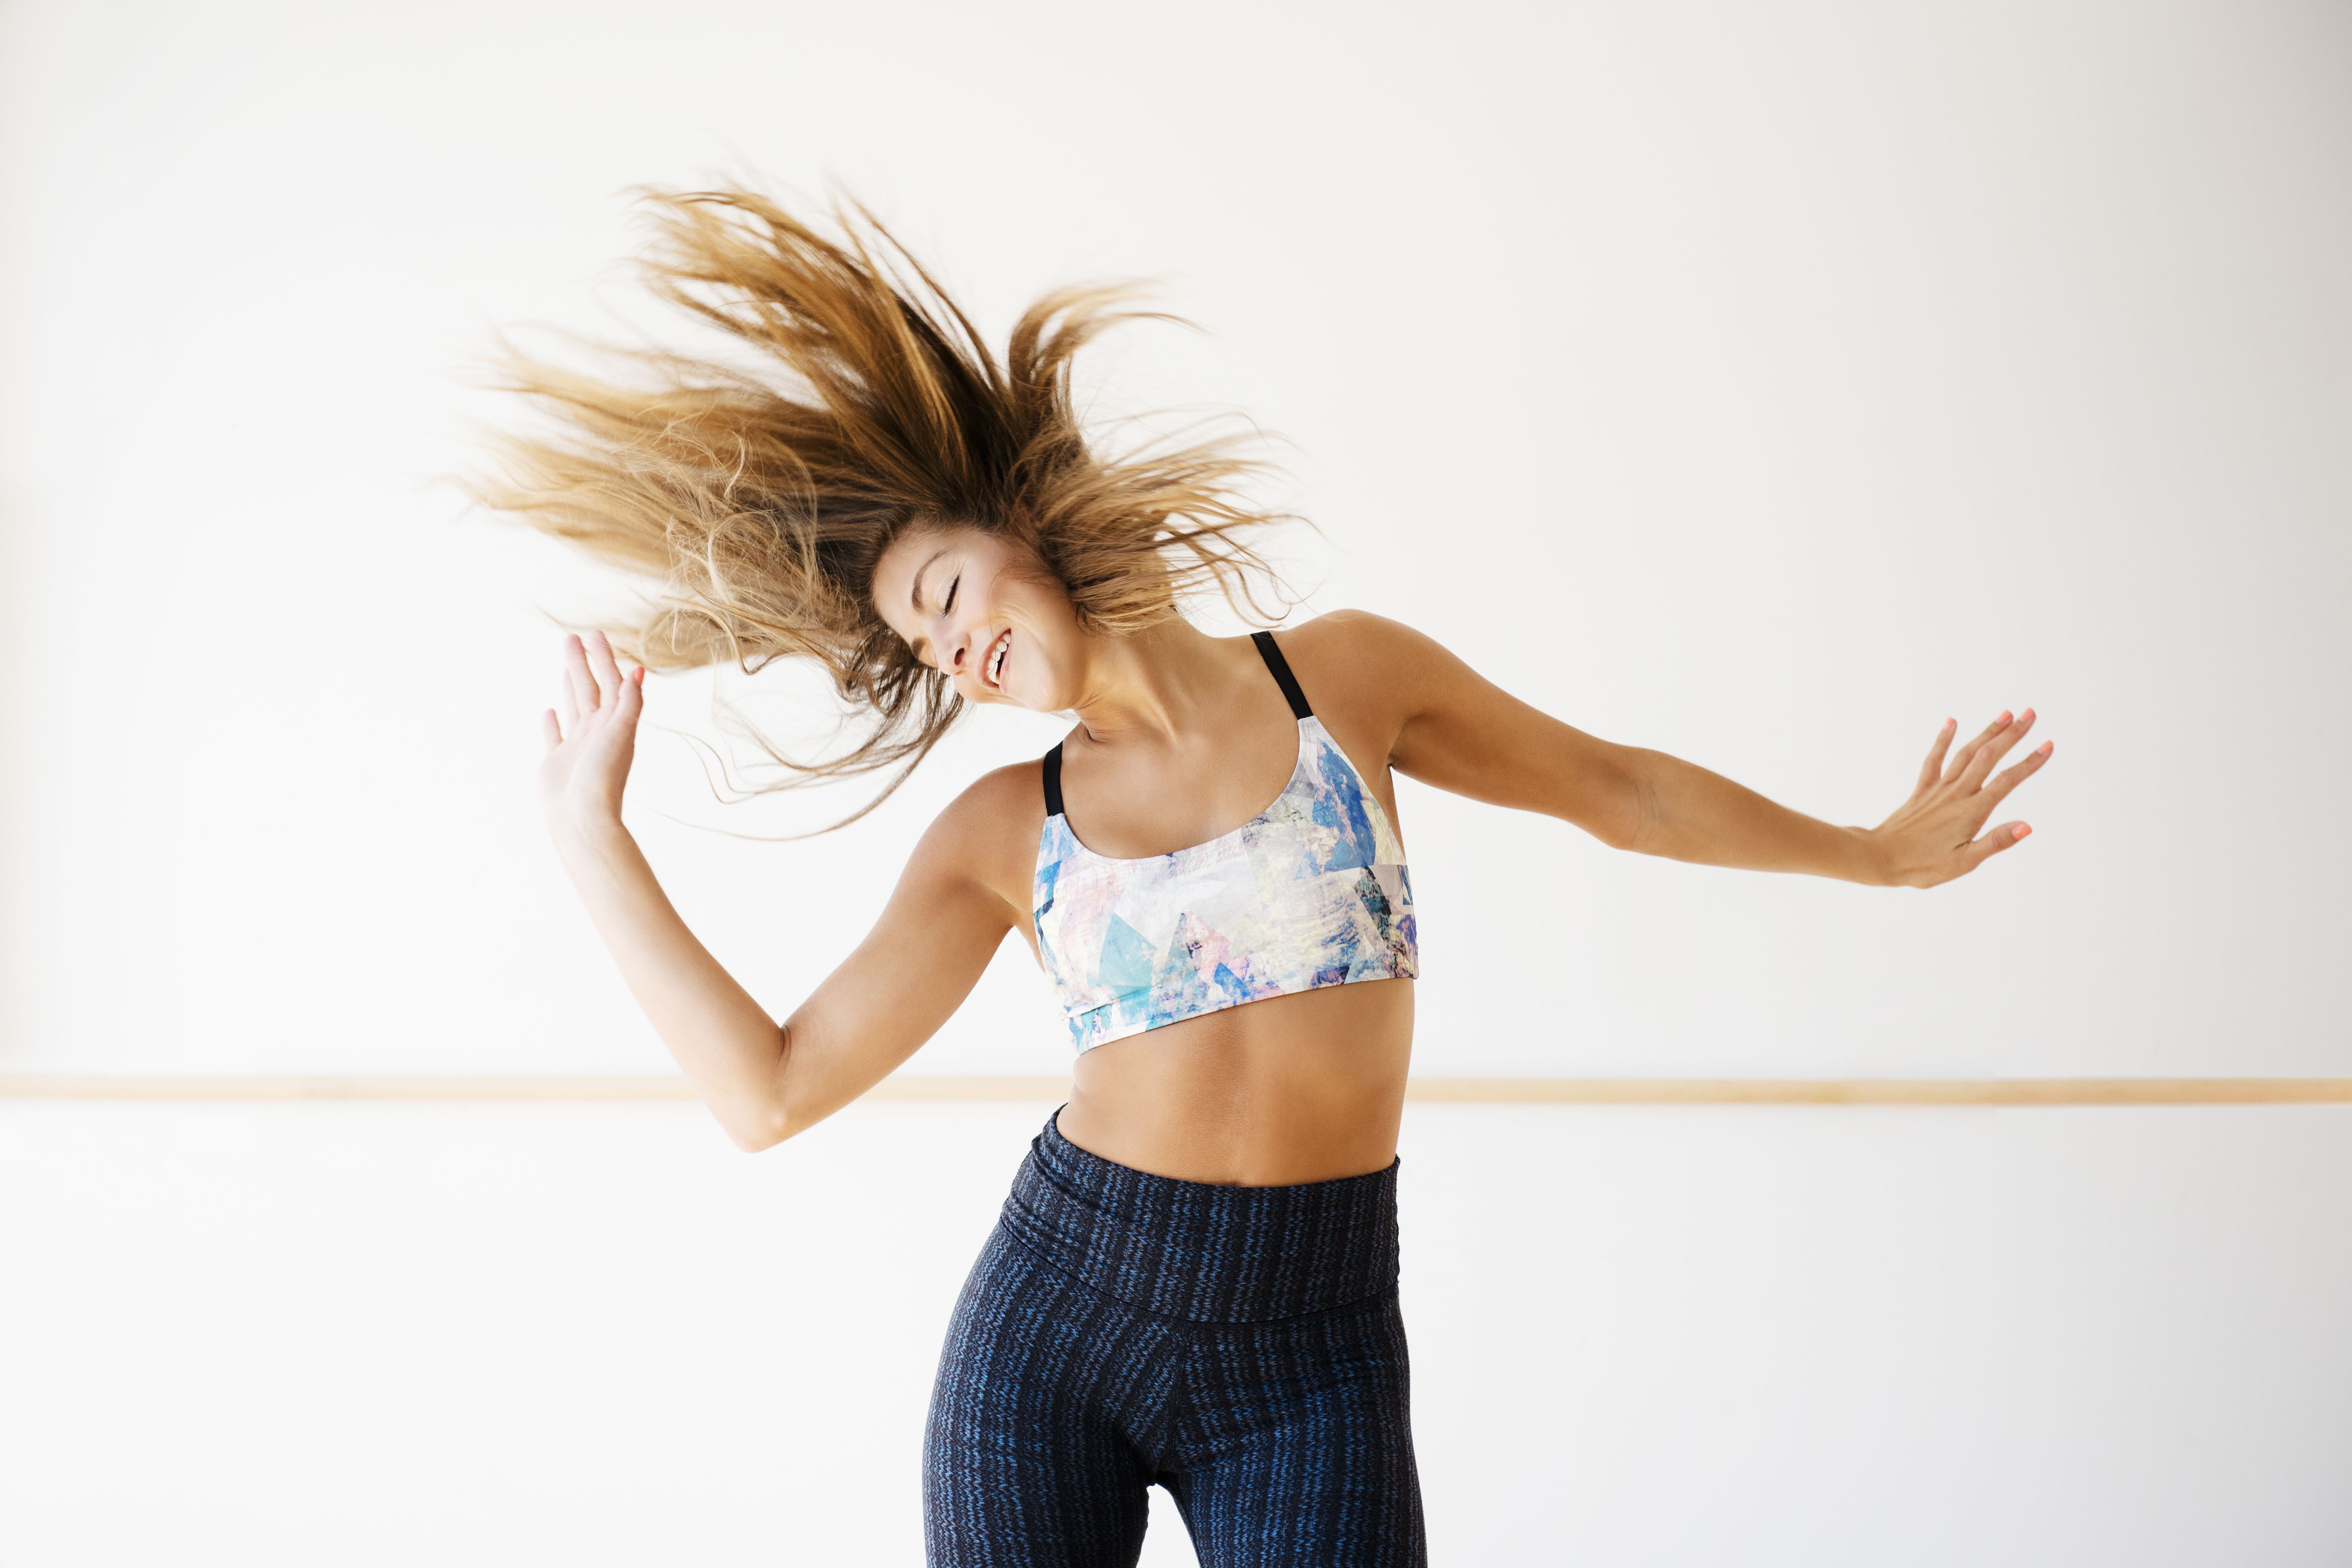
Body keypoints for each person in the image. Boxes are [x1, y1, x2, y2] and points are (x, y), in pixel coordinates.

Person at [489, 187, 2052, 1568]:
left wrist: (1870, 854)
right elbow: (767, 1093)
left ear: (1027, 523)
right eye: (922, 643)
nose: (953, 648)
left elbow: (1622, 793)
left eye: (948, 591)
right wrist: (591, 839)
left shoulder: (1344, 683)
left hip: (1314, 1348)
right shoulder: (999, 831)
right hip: (1057, 1329)